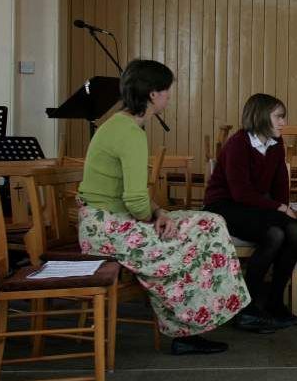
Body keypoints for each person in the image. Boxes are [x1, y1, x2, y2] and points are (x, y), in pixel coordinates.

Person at [78, 59, 251, 356]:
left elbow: (130, 195)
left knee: (210, 223)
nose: (169, 96)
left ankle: (192, 325)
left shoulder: (118, 124)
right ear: (153, 94)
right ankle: (187, 330)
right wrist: (155, 218)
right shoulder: (130, 132)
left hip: (104, 221)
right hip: (108, 228)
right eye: (167, 90)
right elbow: (134, 202)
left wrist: (159, 212)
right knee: (201, 236)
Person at [204, 93, 297, 332]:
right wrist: (279, 208)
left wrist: (284, 209)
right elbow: (240, 193)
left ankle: (274, 302)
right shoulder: (238, 143)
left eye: (283, 117)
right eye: (278, 117)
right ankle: (245, 308)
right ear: (261, 117)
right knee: (274, 235)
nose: (283, 122)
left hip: (253, 206)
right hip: (224, 206)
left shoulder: (276, 143)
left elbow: (281, 184)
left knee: (294, 229)